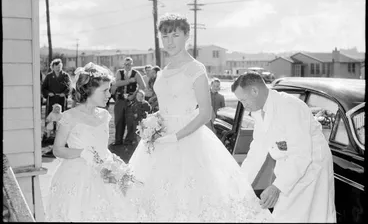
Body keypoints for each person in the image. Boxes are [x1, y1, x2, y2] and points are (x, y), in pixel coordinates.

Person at [126, 13, 272, 222]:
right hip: (159, 137)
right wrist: (152, 123)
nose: (169, 42)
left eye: (175, 35)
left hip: (187, 138)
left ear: (187, 35)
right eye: (165, 37)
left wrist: (176, 137)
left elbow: (205, 113)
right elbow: (166, 106)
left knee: (190, 200)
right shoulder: (164, 71)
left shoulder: (195, 68)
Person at [231, 72, 336, 222]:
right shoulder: (259, 113)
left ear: (255, 91)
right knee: (286, 215)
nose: (244, 105)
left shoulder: (290, 107)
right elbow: (257, 152)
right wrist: (241, 184)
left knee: (309, 216)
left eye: (243, 100)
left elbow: (301, 155)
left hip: (312, 167)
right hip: (290, 168)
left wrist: (277, 187)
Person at [45, 62, 135, 222]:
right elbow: (58, 150)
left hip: (104, 171)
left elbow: (102, 147)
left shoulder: (104, 115)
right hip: (77, 175)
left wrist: (116, 164)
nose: (109, 95)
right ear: (89, 90)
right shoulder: (69, 117)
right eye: (105, 90)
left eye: (110, 90)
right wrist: (81, 153)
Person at [111, 57, 146, 145]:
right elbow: (117, 83)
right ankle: (118, 141)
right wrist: (129, 81)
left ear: (132, 64)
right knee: (119, 120)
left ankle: (129, 141)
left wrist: (134, 95)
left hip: (131, 101)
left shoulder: (136, 73)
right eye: (125, 64)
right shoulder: (119, 72)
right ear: (123, 65)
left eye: (129, 64)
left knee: (131, 121)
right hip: (120, 100)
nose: (127, 66)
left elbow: (143, 86)